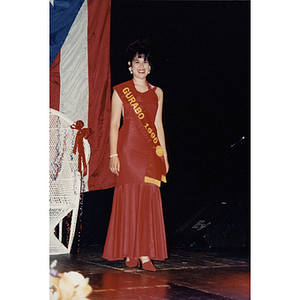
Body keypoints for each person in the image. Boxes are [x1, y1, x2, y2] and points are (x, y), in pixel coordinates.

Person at [102, 39, 169, 271]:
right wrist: (113, 155)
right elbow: (113, 124)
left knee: (148, 198)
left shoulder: (157, 92)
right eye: (137, 61)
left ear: (150, 67)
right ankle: (130, 252)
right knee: (130, 199)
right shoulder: (121, 91)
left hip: (150, 153)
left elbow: (158, 125)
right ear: (130, 65)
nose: (142, 66)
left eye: (146, 62)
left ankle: (145, 254)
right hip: (128, 149)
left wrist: (165, 156)